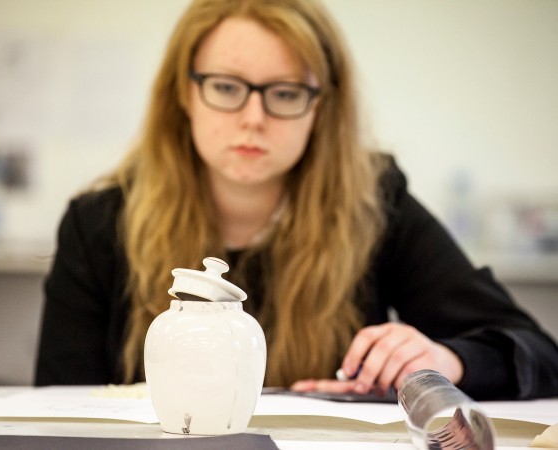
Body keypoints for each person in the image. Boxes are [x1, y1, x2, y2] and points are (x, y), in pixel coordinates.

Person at [35, 0, 558, 400]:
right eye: (225, 86)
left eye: (285, 93)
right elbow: (56, 407)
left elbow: (537, 353)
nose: (253, 118)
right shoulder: (99, 223)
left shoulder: (375, 204)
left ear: (321, 108)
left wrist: (450, 359)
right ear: (184, 92)